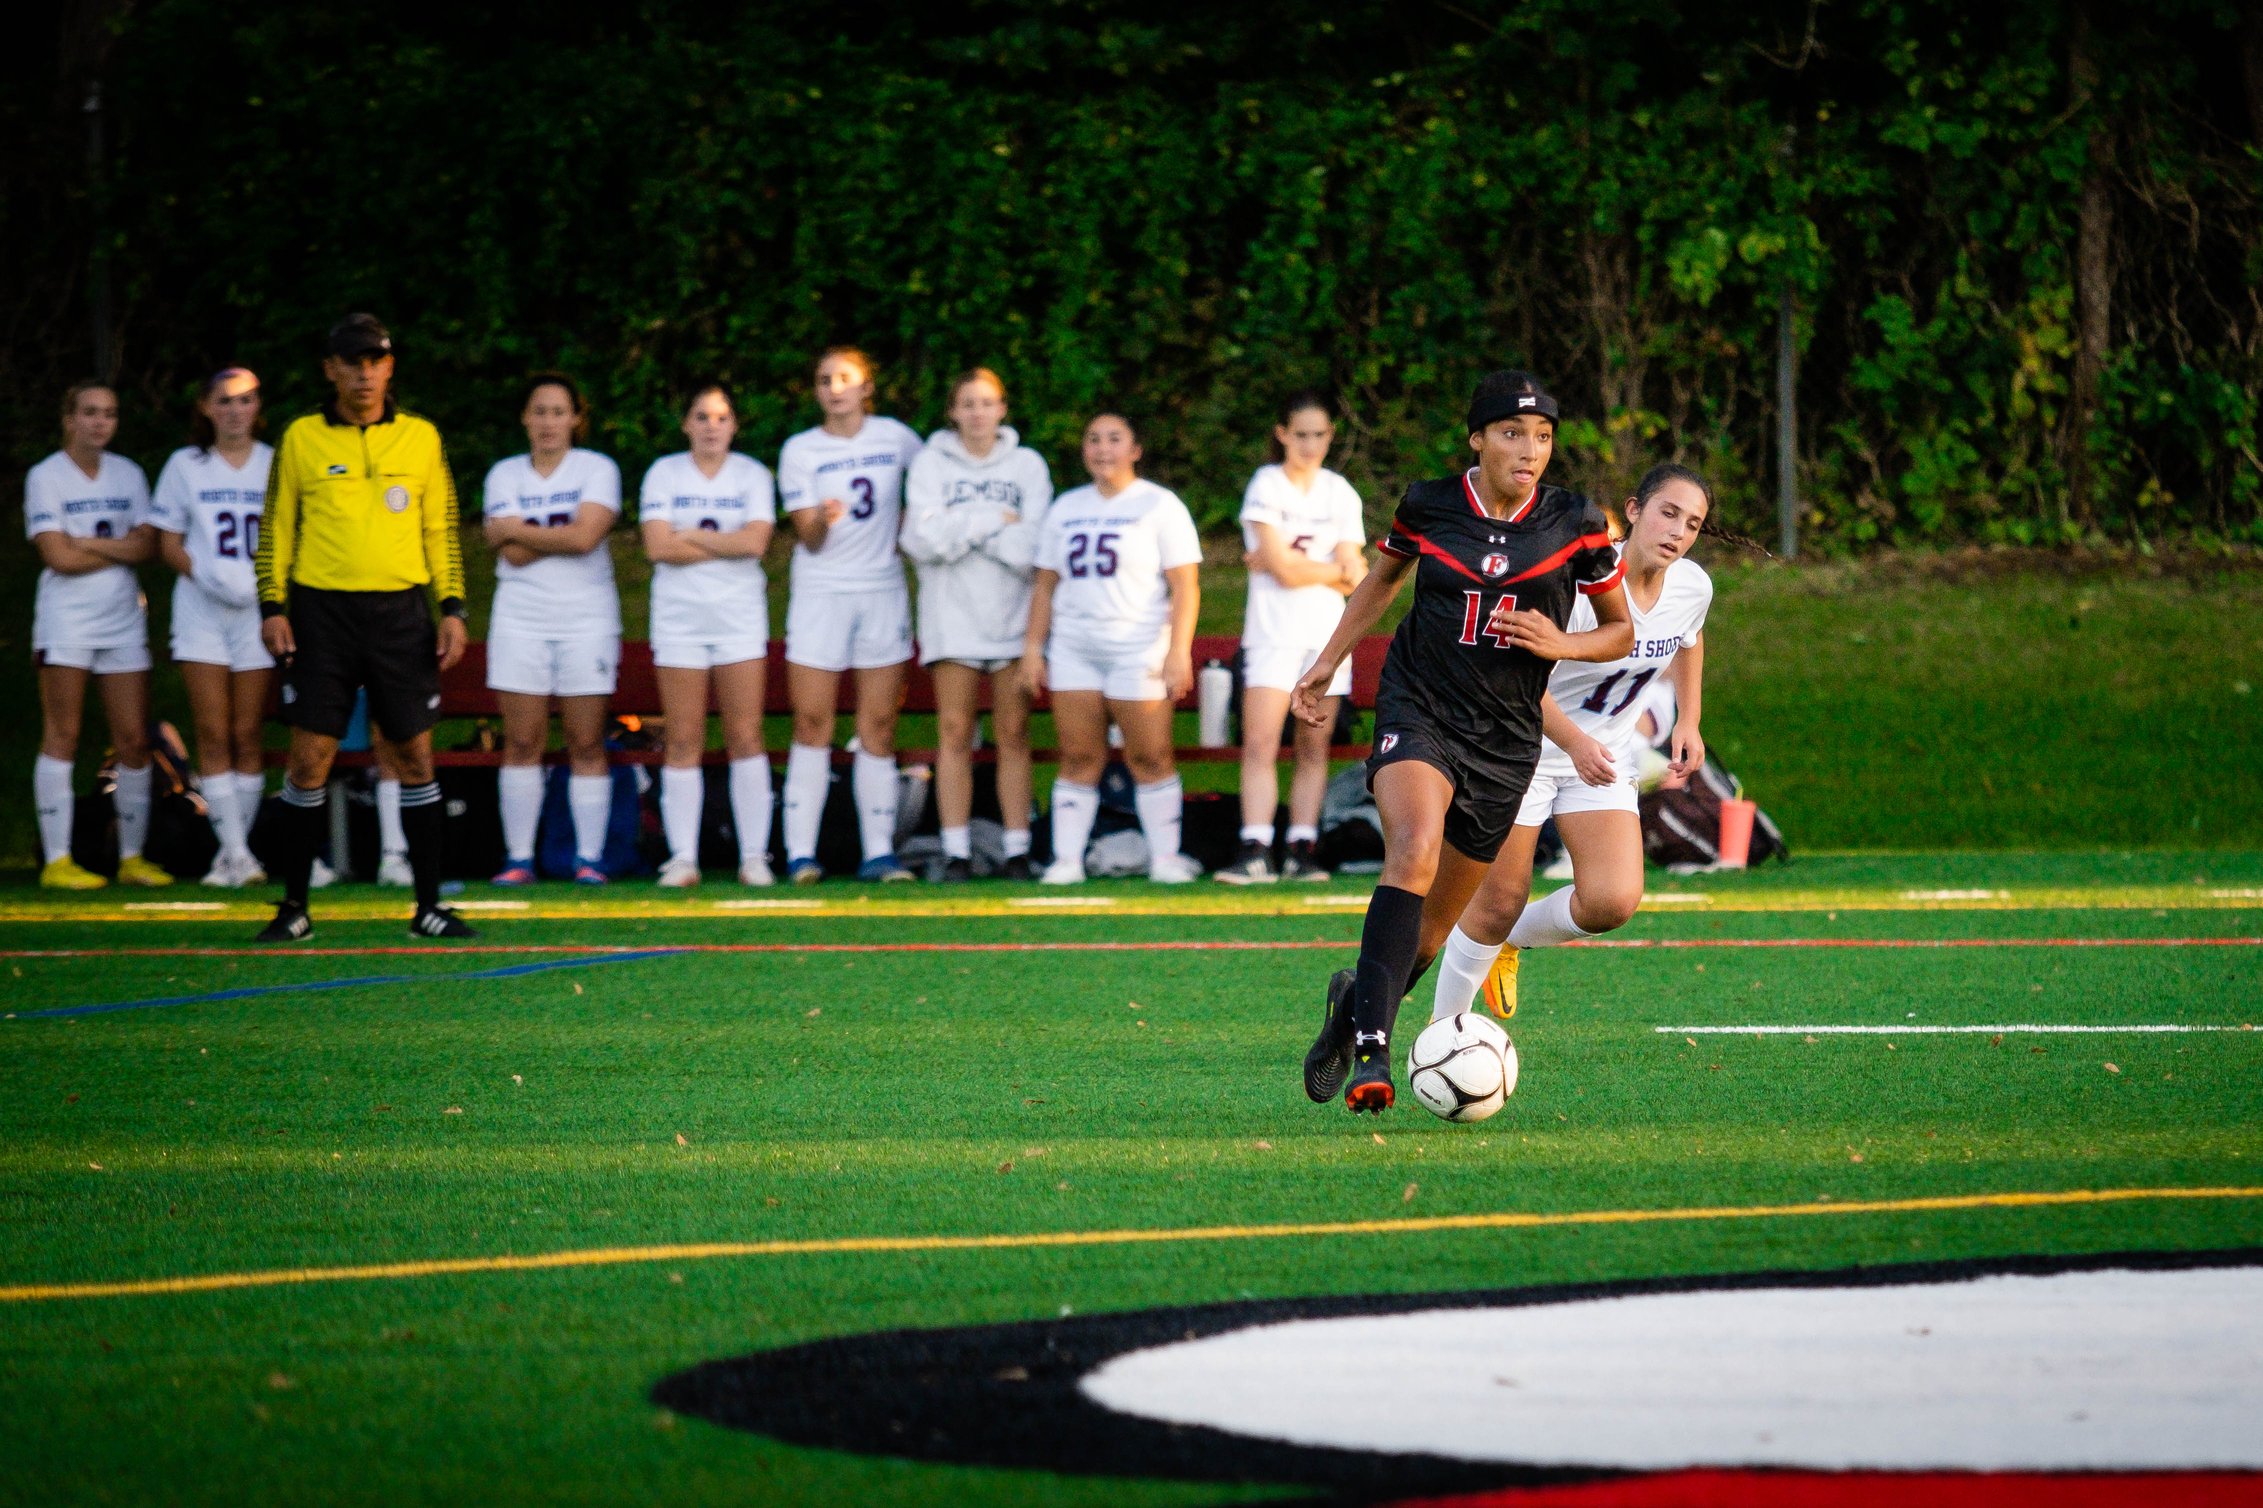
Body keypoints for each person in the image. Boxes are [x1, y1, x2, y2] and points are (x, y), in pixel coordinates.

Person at [1292, 370, 1633, 1113]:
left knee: (1430, 931)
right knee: (1410, 851)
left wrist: (1559, 644)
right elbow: (1380, 584)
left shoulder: (1576, 522)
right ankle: (1373, 1061)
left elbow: (1620, 631)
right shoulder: (1429, 503)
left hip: (1507, 737)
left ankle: (1353, 1011)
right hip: (1419, 707)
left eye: (1543, 436)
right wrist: (1325, 665)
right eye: (1512, 433)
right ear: (1476, 439)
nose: (1530, 449)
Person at [1429, 464, 1713, 1023]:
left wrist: (1689, 719)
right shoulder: (1576, 585)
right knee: (1496, 901)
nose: (1678, 531)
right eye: (1668, 513)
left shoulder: (1693, 584)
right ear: (1634, 511)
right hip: (1519, 748)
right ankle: (1444, 1035)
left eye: (1693, 524)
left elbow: (1690, 639)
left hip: (1600, 758)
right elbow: (1516, 684)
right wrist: (1575, 742)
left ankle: (1510, 943)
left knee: (1612, 902)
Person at [251, 313, 474, 941]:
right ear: (331, 370)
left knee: (412, 752)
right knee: (310, 758)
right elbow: (277, 528)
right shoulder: (301, 439)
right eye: (352, 362)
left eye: (375, 361)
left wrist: (451, 608)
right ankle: (294, 906)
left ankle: (428, 906)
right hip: (322, 614)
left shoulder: (421, 438)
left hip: (400, 614)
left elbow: (440, 528)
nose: (364, 374)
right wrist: (272, 606)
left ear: (390, 367)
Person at [1021, 412, 1204, 885]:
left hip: (1137, 645)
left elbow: (1185, 585)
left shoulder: (1160, 505)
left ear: (1135, 449)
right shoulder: (1065, 507)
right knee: (1079, 757)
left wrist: (1177, 650)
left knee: (1151, 756)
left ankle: (1165, 858)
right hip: (1075, 648)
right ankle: (1067, 860)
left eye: (1114, 439)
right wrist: (1032, 649)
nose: (1103, 449)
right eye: (1094, 439)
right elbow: (1045, 586)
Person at [776, 347, 923, 884]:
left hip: (882, 591)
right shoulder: (801, 450)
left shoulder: (897, 438)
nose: (834, 387)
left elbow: (931, 489)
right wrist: (820, 519)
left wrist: (914, 526)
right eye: (824, 380)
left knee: (878, 726)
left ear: (866, 387)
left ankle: (879, 853)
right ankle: (800, 855)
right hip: (822, 593)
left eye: (845, 378)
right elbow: (809, 539)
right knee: (813, 721)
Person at [900, 367, 1052, 881]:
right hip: (950, 618)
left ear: (1002, 408)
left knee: (1013, 733)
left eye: (987, 403)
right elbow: (921, 541)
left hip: (1012, 617)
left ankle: (1015, 849)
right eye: (967, 404)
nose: (978, 414)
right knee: (955, 733)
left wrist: (958, 531)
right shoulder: (929, 464)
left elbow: (1032, 549)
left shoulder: (1027, 465)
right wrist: (992, 523)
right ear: (952, 411)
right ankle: (956, 850)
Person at [1216, 392, 1368, 885]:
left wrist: (1300, 567)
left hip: (1326, 638)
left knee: (1313, 746)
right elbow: (1282, 569)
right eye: (1300, 434)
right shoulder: (1266, 484)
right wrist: (1327, 569)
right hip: (1272, 634)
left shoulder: (1339, 491)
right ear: (1282, 434)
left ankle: (1303, 845)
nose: (1310, 444)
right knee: (1260, 742)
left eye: (1319, 435)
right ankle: (1255, 846)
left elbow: (1356, 577)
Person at [481, 373, 623, 885]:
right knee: (522, 741)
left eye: (558, 412)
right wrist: (540, 536)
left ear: (576, 419)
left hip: (587, 618)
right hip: (521, 618)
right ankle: (519, 859)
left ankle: (589, 859)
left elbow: (586, 538)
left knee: (587, 740)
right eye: (539, 412)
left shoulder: (598, 468)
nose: (548, 423)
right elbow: (514, 557)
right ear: (524, 418)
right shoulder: (503, 474)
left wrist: (514, 528)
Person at [27, 381, 168, 889]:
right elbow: (55, 556)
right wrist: (115, 544)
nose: (99, 422)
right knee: (62, 734)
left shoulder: (129, 474)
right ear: (69, 418)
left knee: (133, 738)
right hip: (65, 620)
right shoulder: (45, 476)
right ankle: (57, 861)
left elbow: (148, 546)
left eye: (108, 413)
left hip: (123, 618)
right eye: (89, 413)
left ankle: (132, 858)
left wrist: (85, 541)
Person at [639, 383, 777, 887]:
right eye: (701, 417)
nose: (711, 426)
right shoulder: (663, 473)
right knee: (684, 738)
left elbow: (756, 541)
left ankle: (755, 858)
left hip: (738, 618)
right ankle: (682, 858)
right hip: (679, 620)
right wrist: (726, 542)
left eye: (721, 417)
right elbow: (657, 547)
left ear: (734, 424)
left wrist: (692, 534)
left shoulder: (753, 475)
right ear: (686, 425)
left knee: (746, 735)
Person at [153, 367, 274, 887]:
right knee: (211, 730)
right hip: (202, 608)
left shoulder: (274, 464)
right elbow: (167, 540)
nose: (234, 411)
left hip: (255, 611)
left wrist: (265, 587)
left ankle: (237, 853)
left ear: (257, 406)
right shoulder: (186, 465)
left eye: (244, 400)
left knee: (247, 732)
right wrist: (205, 573)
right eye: (223, 401)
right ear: (206, 407)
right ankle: (233, 852)